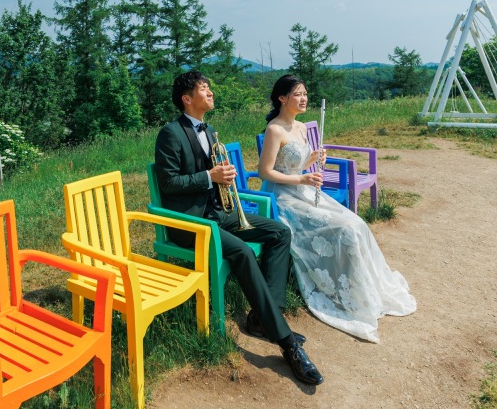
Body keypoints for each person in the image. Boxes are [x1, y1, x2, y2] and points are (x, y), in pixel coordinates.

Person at [154, 70, 324, 386]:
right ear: (187, 99)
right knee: (243, 252)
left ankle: (262, 317)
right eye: (203, 88)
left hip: (218, 212)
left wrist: (223, 177)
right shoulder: (170, 133)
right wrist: (209, 177)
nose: (210, 92)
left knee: (279, 232)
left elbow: (213, 172)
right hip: (191, 223)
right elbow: (168, 182)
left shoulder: (211, 129)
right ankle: (286, 344)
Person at [258, 75, 416, 342]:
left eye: (305, 93)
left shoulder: (299, 126)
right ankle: (339, 291)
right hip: (284, 198)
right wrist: (301, 178)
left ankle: (359, 287)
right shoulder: (275, 130)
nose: (304, 98)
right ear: (282, 98)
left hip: (303, 189)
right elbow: (265, 172)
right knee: (343, 228)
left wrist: (312, 159)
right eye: (297, 94)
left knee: (356, 223)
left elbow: (298, 162)